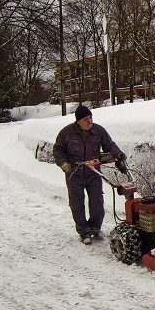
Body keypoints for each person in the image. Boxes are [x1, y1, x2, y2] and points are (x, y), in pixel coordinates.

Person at [53, 104, 128, 245]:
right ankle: (84, 232)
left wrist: (119, 154)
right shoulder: (67, 133)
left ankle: (95, 228)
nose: (89, 121)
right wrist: (63, 163)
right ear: (78, 121)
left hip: (93, 173)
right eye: (86, 119)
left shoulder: (98, 131)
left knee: (97, 202)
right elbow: (58, 150)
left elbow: (110, 145)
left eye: (90, 117)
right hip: (74, 174)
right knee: (77, 204)